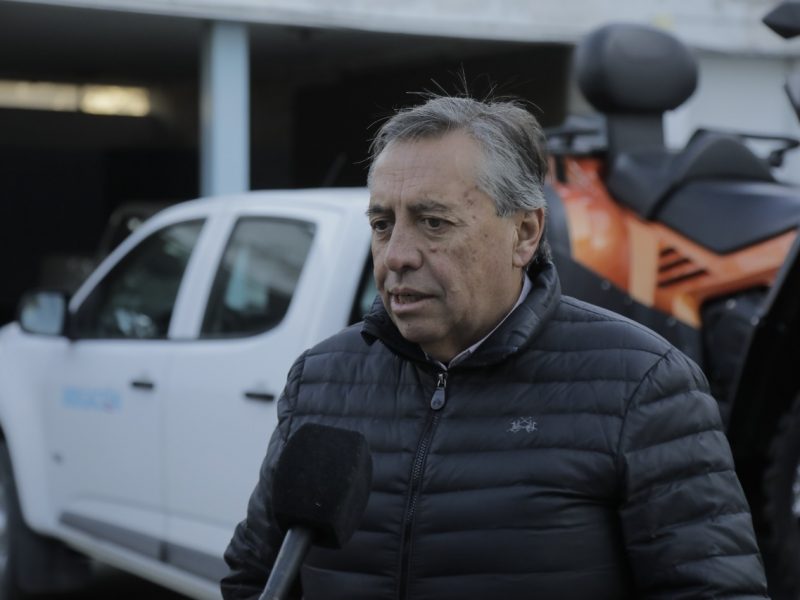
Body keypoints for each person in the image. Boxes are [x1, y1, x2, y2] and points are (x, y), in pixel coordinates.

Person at [221, 94, 769, 599]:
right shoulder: (321, 380)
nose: (397, 255)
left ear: (525, 233)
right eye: (383, 224)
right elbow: (253, 579)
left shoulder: (642, 384)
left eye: (434, 222)